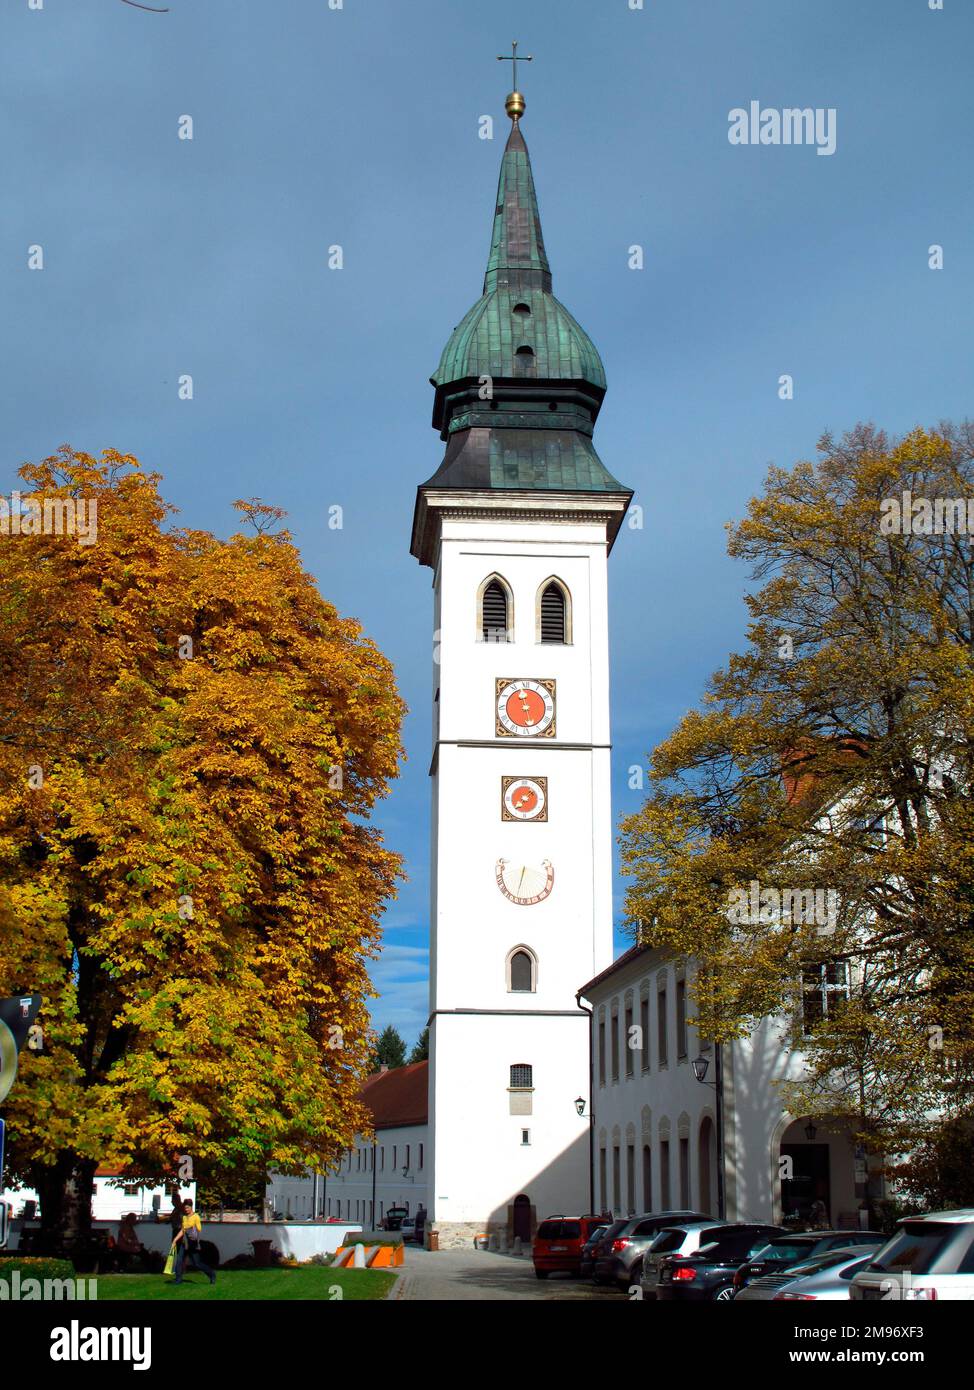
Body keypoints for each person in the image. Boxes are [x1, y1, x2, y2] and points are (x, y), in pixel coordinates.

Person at [173, 1198, 216, 1285]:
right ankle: (178, 1280)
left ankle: (211, 1274)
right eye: (185, 1208)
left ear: (191, 1207)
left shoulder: (196, 1216)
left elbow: (199, 1229)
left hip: (192, 1244)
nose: (186, 1210)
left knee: (197, 1264)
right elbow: (182, 1230)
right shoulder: (184, 1217)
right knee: (179, 1261)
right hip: (184, 1243)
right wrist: (175, 1239)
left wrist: (192, 1227)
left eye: (188, 1208)